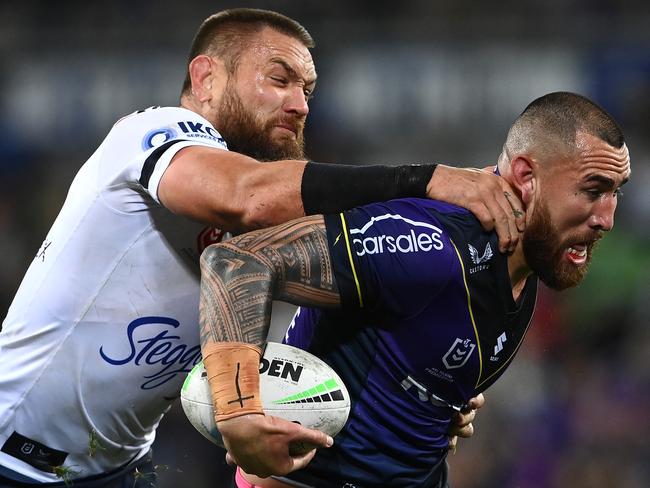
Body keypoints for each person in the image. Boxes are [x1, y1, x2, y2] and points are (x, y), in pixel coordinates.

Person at [0, 8, 520, 488]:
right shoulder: (151, 131)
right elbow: (243, 195)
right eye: (279, 79)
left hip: (121, 469)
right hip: (12, 455)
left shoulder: (277, 238)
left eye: (309, 92)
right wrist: (422, 180)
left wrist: (421, 394)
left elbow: (310, 349)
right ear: (206, 78)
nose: (299, 105)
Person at [198, 91, 631, 488]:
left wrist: (438, 406)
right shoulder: (430, 244)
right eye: (592, 190)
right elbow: (238, 262)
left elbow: (413, 349)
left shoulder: (525, 261)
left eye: (615, 193)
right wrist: (238, 411)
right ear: (526, 176)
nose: (606, 219)